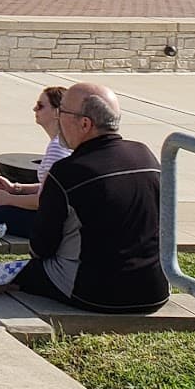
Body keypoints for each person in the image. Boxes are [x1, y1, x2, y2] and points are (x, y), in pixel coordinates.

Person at [13, 82, 169, 314]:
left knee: (5, 275)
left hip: (95, 294)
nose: (58, 119)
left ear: (85, 124)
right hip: (154, 292)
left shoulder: (67, 171)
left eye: (62, 112)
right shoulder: (145, 155)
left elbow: (41, 248)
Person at [0, 86, 71, 235]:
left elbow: (45, 200)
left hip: (48, 221)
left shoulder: (57, 148)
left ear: (57, 112)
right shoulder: (63, 142)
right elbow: (51, 187)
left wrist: (8, 199)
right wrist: (17, 188)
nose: (34, 109)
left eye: (41, 106)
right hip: (54, 216)